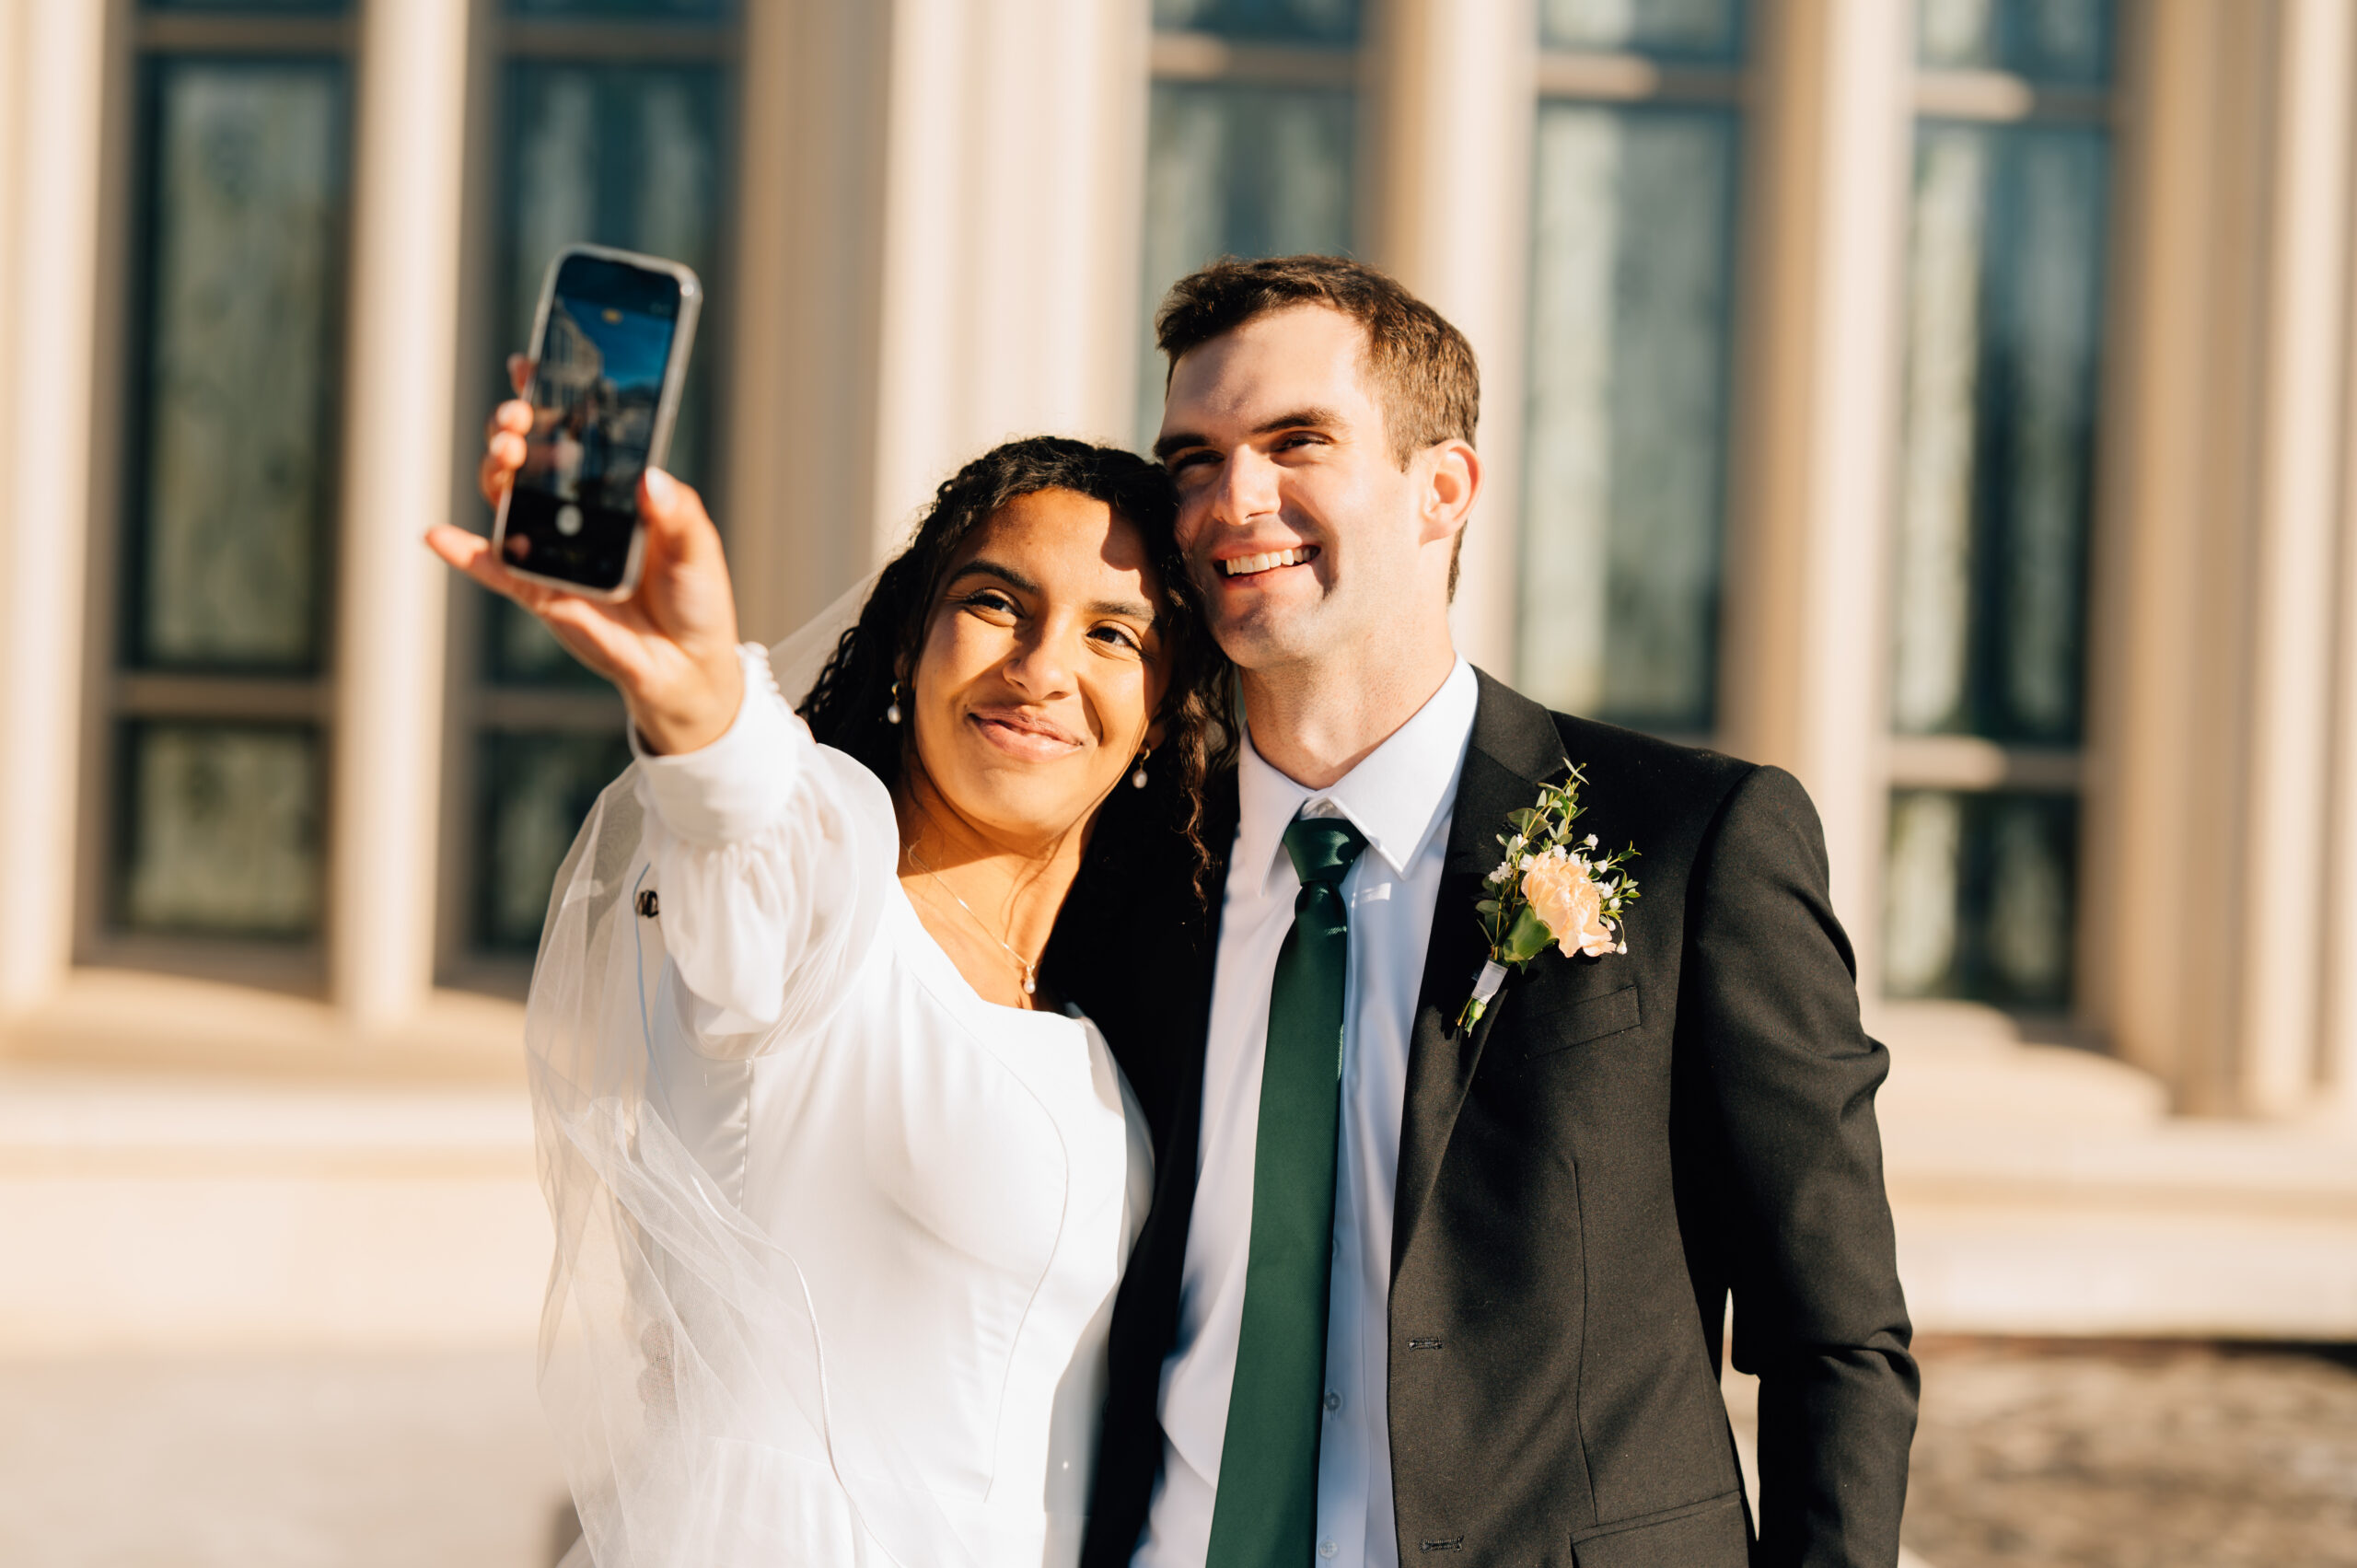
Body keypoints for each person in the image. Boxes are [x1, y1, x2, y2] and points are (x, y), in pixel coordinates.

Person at [1067, 256, 1919, 1568]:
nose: (1233, 499)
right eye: (1192, 457)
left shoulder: (1693, 841)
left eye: (1297, 440)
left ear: (1442, 488)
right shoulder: (1122, 865)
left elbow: (1838, 1337)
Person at [429, 416, 1229, 1566]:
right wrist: (698, 691)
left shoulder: (1095, 1025)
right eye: (997, 603)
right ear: (909, 642)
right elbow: (740, 819)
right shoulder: (827, 902)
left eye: (1113, 632)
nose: (1043, 666)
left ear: (1160, 711)